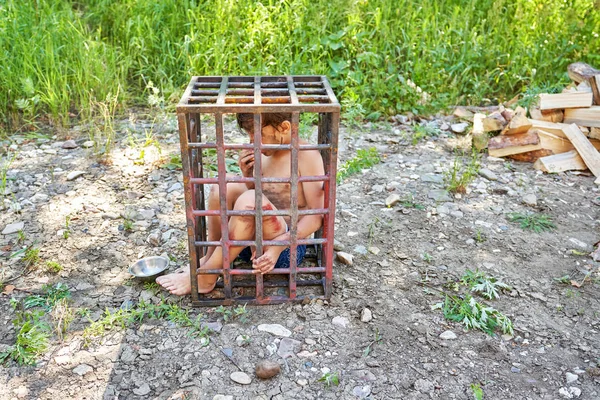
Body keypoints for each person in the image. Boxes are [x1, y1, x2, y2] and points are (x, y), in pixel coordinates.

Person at [157, 113, 325, 295]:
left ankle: (206, 278)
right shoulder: (266, 149)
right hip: (247, 246)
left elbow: (317, 217)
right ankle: (209, 259)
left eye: (257, 134)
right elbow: (263, 195)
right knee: (224, 185)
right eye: (249, 135)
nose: (252, 141)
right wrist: (248, 175)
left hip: (283, 251)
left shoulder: (306, 155)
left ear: (285, 128)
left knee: (251, 199)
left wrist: (278, 246)